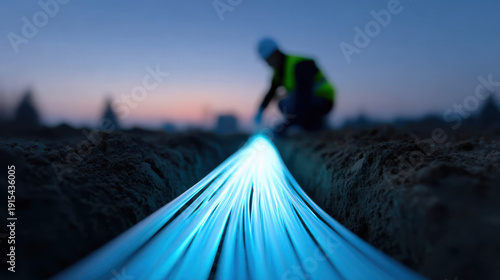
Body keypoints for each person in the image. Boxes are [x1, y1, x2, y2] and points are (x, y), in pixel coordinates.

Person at [254, 38, 335, 137]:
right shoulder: (278, 73)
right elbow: (271, 93)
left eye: (268, 60)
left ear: (275, 54)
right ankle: (308, 125)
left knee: (290, 102)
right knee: (283, 103)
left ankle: (312, 123)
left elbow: (303, 97)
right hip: (306, 101)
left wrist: (286, 126)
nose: (267, 64)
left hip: (323, 100)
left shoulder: (299, 65)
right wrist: (260, 110)